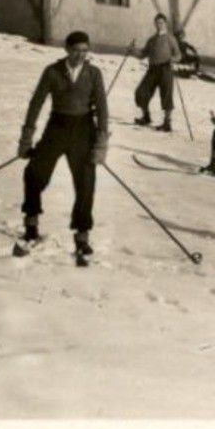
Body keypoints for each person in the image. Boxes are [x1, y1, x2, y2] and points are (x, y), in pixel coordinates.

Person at [18, 30, 111, 257]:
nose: (81, 55)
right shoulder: (52, 72)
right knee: (34, 173)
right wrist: (27, 138)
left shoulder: (93, 74)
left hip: (83, 130)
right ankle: (31, 226)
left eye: (85, 51)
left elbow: (102, 109)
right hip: (57, 128)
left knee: (85, 183)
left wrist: (100, 144)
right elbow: (36, 103)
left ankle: (82, 237)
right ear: (67, 50)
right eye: (76, 50)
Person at [134, 13, 180, 130]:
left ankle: (167, 123)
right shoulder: (152, 40)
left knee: (166, 95)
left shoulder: (170, 38)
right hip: (153, 69)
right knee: (141, 92)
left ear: (165, 24)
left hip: (166, 69)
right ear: (154, 24)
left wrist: (173, 59)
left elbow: (178, 55)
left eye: (161, 23)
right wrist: (132, 50)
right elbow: (142, 54)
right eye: (157, 23)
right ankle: (146, 117)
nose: (159, 25)